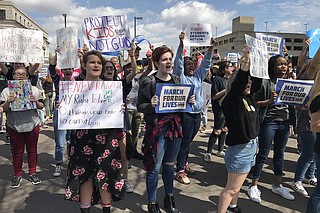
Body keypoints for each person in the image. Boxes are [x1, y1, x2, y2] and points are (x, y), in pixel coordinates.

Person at [137, 44, 194, 213]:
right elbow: (140, 105)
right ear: (156, 63)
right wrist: (151, 105)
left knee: (170, 164)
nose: (168, 62)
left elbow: (181, 105)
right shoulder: (148, 81)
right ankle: (152, 202)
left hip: (175, 128)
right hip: (157, 129)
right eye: (164, 60)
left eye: (170, 59)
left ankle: (169, 197)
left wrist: (189, 102)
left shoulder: (176, 80)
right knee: (155, 166)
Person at [65, 50, 124, 213]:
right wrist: (62, 108)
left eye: (99, 63)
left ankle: (106, 209)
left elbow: (115, 110)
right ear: (84, 65)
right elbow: (68, 111)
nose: (96, 65)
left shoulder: (110, 87)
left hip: (105, 138)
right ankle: (85, 210)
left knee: (104, 174)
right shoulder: (74, 87)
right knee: (85, 176)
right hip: (83, 138)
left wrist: (120, 108)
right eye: (92, 62)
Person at [217, 45, 262, 213]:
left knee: (237, 185)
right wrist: (244, 66)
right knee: (232, 188)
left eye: (250, 82)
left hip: (250, 146)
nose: (249, 84)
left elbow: (256, 83)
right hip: (240, 149)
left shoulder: (248, 97)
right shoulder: (232, 99)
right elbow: (239, 84)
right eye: (246, 82)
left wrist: (256, 61)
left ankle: (233, 207)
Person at [247, 55, 295, 202]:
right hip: (269, 122)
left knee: (280, 154)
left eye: (285, 64)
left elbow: (293, 105)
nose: (283, 67)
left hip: (284, 122)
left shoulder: (289, 82)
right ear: (272, 66)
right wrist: (269, 101)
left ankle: (277, 185)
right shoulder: (266, 82)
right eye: (280, 64)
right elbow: (254, 102)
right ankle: (253, 185)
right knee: (263, 154)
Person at [173, 32, 214, 184]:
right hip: (186, 115)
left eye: (193, 65)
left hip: (197, 114)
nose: (191, 67)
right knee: (184, 142)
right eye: (188, 65)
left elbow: (206, 64)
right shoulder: (180, 77)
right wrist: (181, 44)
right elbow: (177, 62)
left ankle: (184, 163)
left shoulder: (197, 77)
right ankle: (180, 170)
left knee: (188, 142)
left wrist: (210, 48)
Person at [102, 44, 138, 193]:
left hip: (120, 124)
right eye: (107, 68)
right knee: (105, 156)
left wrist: (132, 56)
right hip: (103, 126)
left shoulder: (121, 84)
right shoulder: (97, 85)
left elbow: (134, 72)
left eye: (111, 67)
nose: (109, 70)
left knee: (123, 155)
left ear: (115, 70)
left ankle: (125, 180)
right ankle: (106, 180)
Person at [0, 67, 44, 188]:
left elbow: (41, 106)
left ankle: (32, 173)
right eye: (17, 74)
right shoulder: (6, 91)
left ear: (28, 77)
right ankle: (17, 175)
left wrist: (36, 101)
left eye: (23, 74)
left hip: (32, 124)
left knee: (32, 150)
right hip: (14, 125)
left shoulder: (34, 90)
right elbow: (3, 109)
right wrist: (8, 102)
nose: (20, 76)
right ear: (12, 76)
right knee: (17, 152)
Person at [49, 48, 76, 177]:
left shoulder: (78, 82)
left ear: (73, 70)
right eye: (65, 69)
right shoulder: (57, 80)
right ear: (62, 71)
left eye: (69, 69)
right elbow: (51, 67)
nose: (67, 71)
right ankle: (58, 164)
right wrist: (56, 54)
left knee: (72, 141)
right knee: (60, 142)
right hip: (60, 112)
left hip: (74, 114)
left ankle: (71, 163)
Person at [204, 60, 234, 162]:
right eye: (230, 66)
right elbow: (214, 96)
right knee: (217, 130)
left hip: (228, 107)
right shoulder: (217, 80)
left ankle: (220, 150)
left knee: (224, 129)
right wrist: (226, 90)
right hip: (219, 108)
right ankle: (208, 152)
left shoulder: (230, 79)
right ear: (225, 68)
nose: (232, 68)